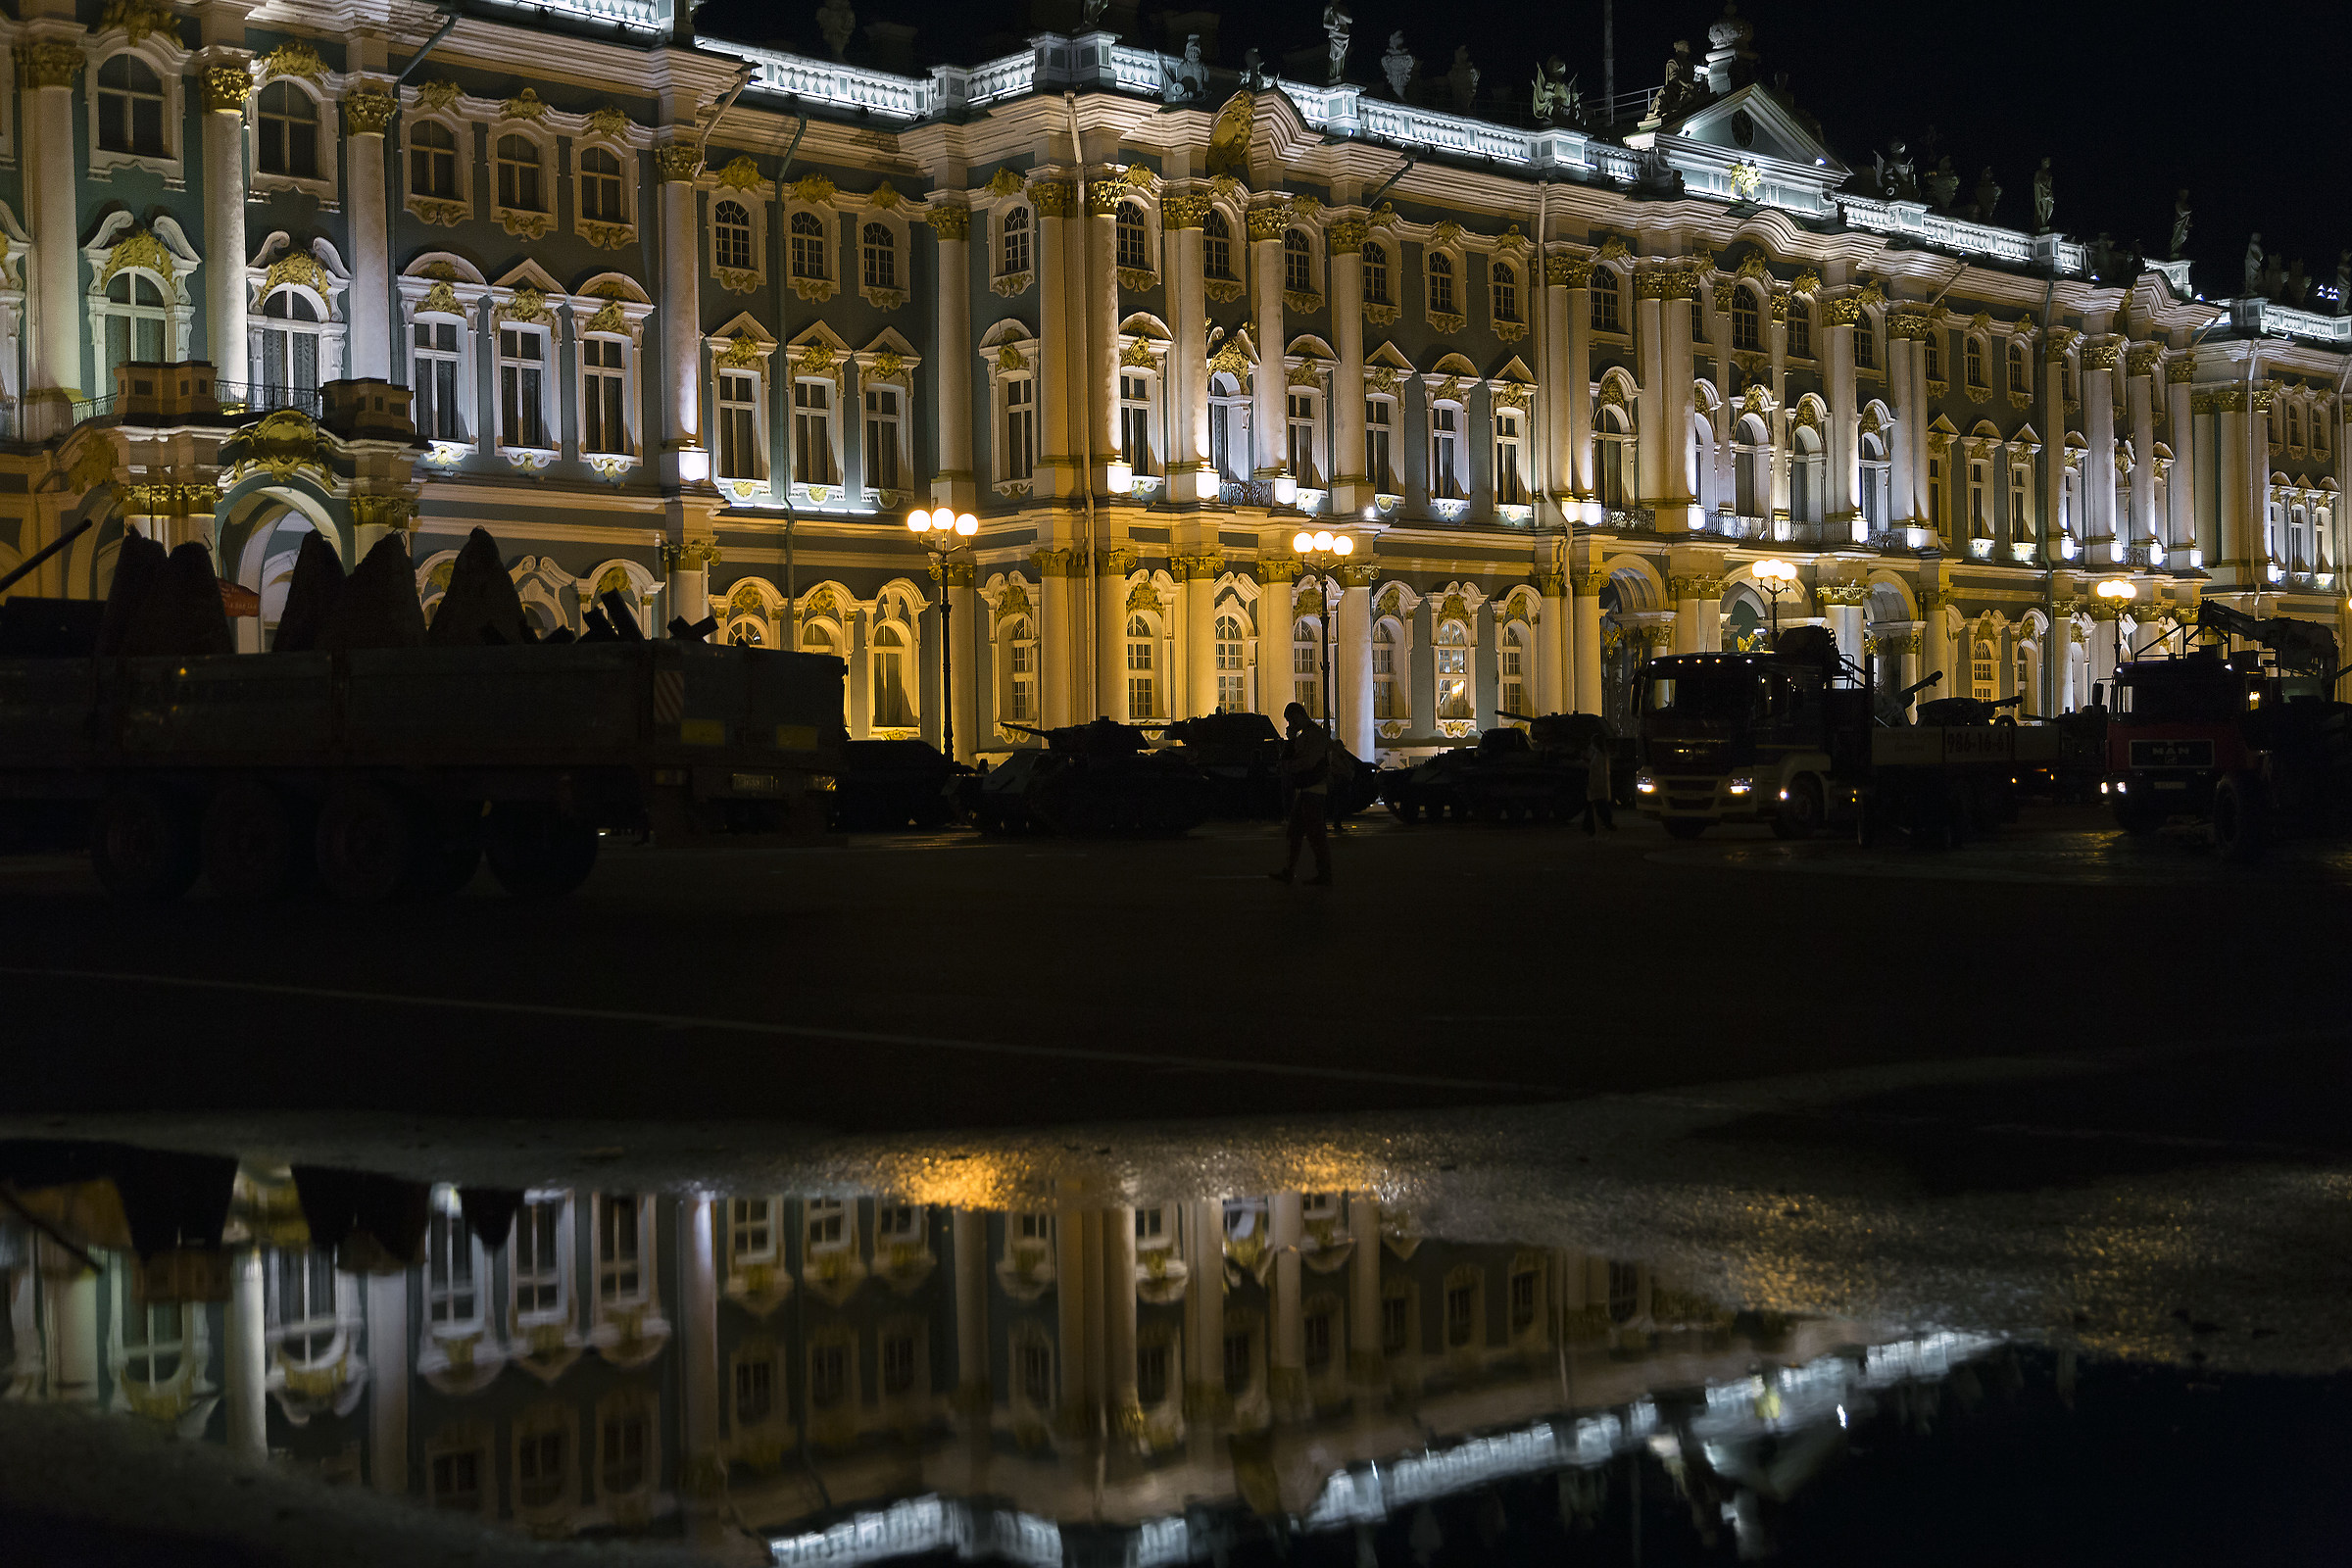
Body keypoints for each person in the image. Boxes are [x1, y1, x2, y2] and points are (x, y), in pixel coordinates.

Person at [1269, 702, 1333, 885]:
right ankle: (1290, 871)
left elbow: (1307, 762)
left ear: (1297, 715)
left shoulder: (1314, 735)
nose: (1290, 724)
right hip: (1306, 790)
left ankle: (1324, 874)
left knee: (1315, 835)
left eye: (1290, 720)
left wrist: (1288, 766)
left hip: (1313, 789)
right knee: (1295, 832)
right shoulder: (1308, 735)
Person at [1580, 731, 1616, 835]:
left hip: (1597, 785)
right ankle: (1591, 827)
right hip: (1598, 785)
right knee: (1595, 806)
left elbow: (1596, 770)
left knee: (1598, 806)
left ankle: (1599, 825)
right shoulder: (1601, 754)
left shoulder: (1599, 756)